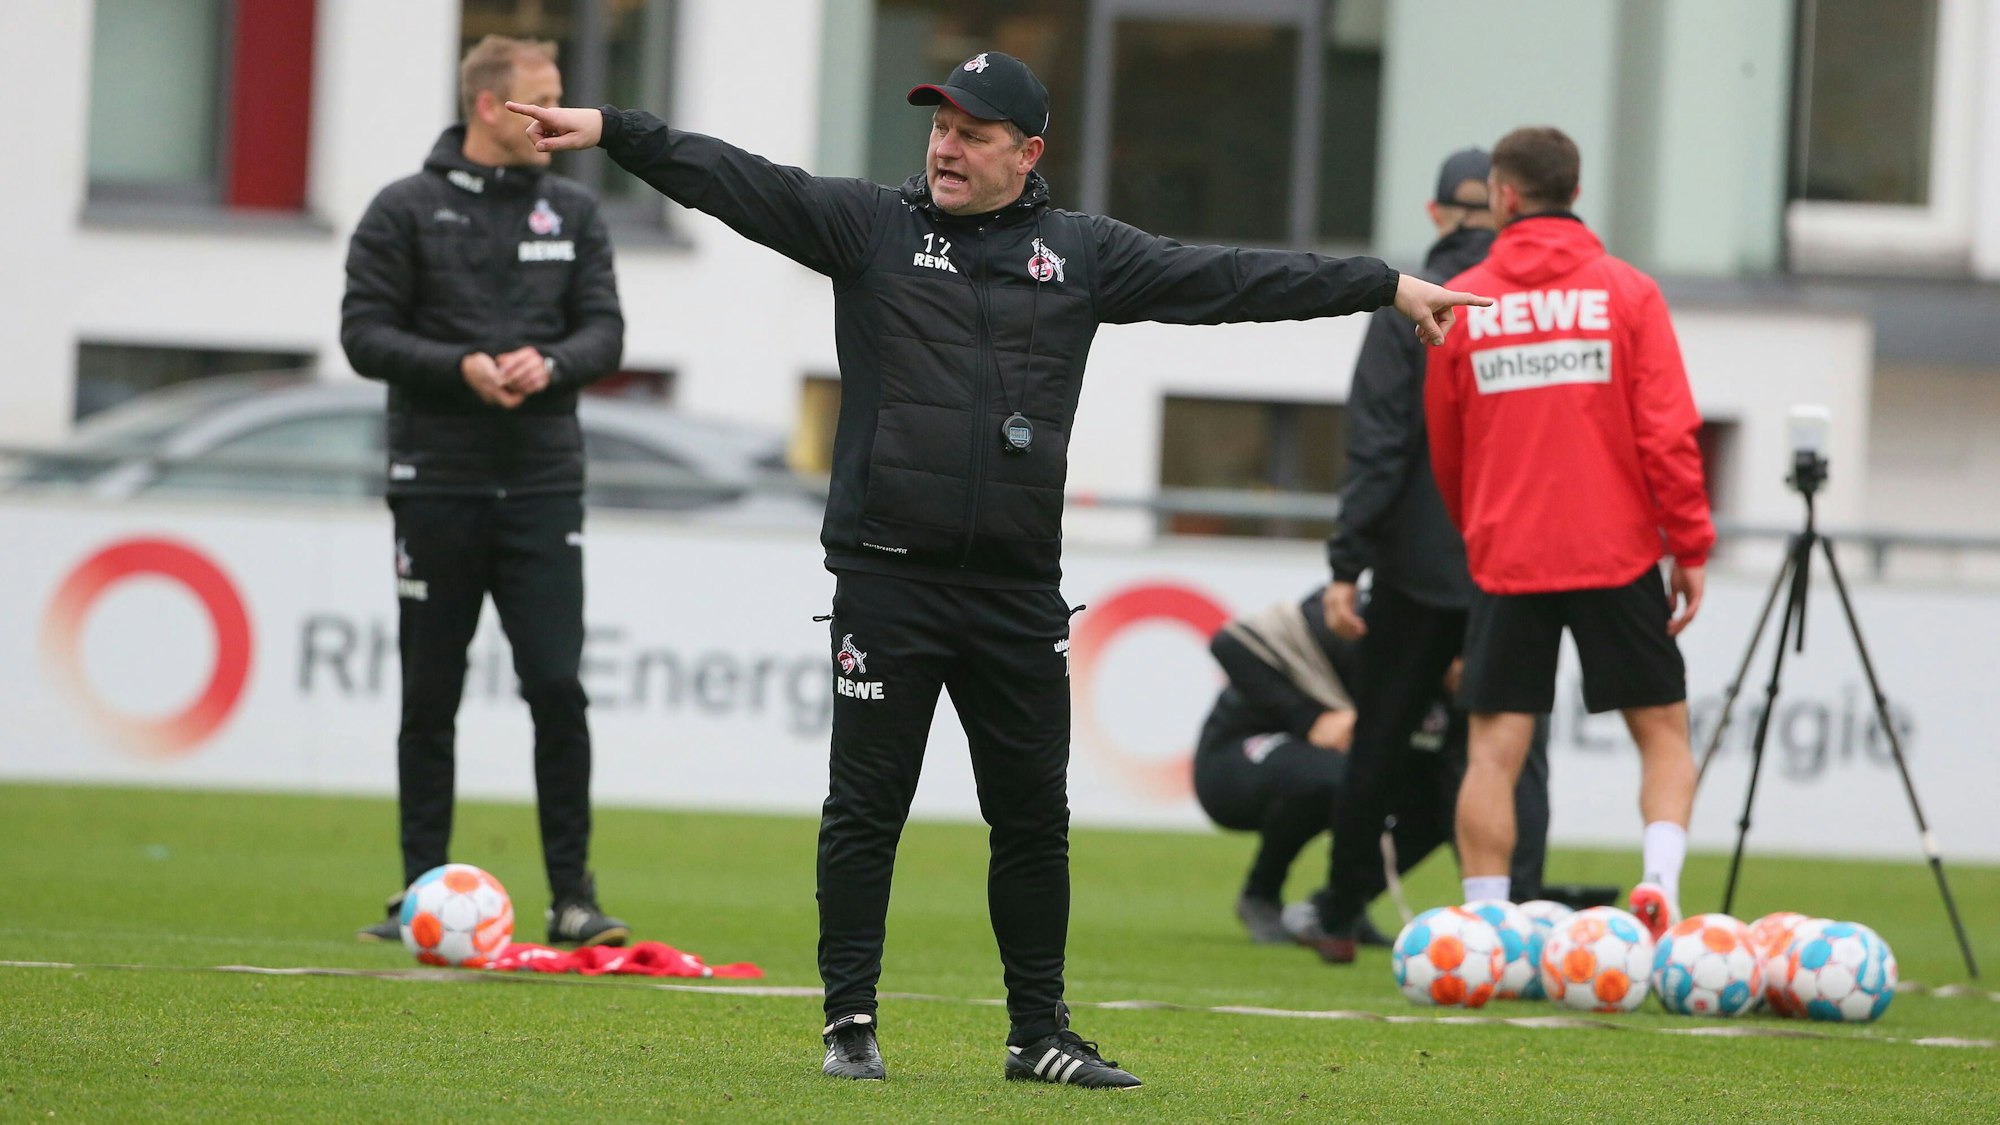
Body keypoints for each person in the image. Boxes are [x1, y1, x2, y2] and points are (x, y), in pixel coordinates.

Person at [504, 50, 1488, 1087]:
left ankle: (1037, 1035)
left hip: (1017, 593)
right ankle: (849, 1023)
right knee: (864, 811)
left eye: (972, 135)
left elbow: (1232, 278)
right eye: (939, 128)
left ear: (1027, 153)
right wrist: (616, 130)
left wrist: (1382, 285)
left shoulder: (1083, 254)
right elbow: (737, 180)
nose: (946, 148)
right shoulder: (868, 228)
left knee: (1030, 821)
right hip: (887, 581)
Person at [341, 36, 629, 949]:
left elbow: (606, 333)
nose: (555, 117)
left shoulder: (575, 209)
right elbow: (362, 335)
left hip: (543, 486)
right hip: (436, 484)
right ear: (489, 106)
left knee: (557, 686)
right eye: (540, 99)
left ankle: (573, 897)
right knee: (430, 693)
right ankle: (420, 892)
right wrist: (458, 365)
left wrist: (551, 363)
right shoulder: (404, 209)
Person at [1425, 126, 1713, 941]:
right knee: (1662, 732)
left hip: (1509, 553)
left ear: (1505, 195)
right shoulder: (1629, 293)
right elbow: (1668, 434)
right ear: (1575, 193)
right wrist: (1689, 544)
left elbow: (1446, 444)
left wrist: (1478, 527)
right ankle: (1658, 883)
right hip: (1616, 550)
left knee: (1494, 749)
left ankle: (1486, 924)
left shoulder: (1464, 302)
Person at [1291, 150, 1553, 964]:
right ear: (1504, 207)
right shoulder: (1530, 306)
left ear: (1437, 212)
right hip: (1511, 564)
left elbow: (1376, 446)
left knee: (1378, 744)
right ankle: (1521, 916)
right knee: (1515, 747)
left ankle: (1339, 912)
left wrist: (1347, 564)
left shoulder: (1405, 302)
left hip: (1415, 565)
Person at [1196, 585, 1463, 946]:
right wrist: (1310, 719)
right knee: (1340, 778)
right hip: (1236, 756)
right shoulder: (1363, 624)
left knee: (1445, 803)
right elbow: (1229, 642)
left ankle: (1339, 906)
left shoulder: (1455, 697)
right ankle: (1260, 894)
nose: (1469, 674)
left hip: (1338, 760)